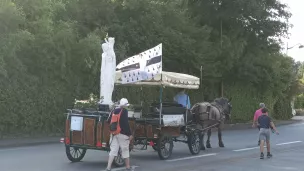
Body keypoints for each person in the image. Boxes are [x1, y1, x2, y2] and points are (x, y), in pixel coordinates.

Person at [105, 98, 133, 171]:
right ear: (124, 105)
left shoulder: (113, 110)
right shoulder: (124, 111)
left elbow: (108, 121)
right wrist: (130, 134)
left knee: (113, 150)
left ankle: (108, 167)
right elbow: (125, 124)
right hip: (122, 134)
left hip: (114, 133)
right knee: (125, 150)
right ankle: (127, 166)